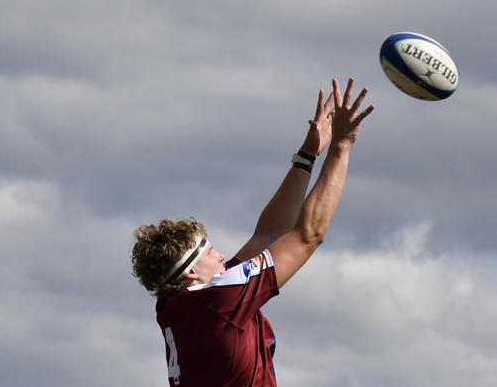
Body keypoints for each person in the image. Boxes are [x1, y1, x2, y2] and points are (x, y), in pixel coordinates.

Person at [131, 77, 375, 386]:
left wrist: (308, 155)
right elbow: (308, 235)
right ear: (190, 274)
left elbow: (268, 235)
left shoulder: (176, 306)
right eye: (209, 252)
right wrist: (341, 146)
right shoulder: (218, 300)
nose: (221, 255)